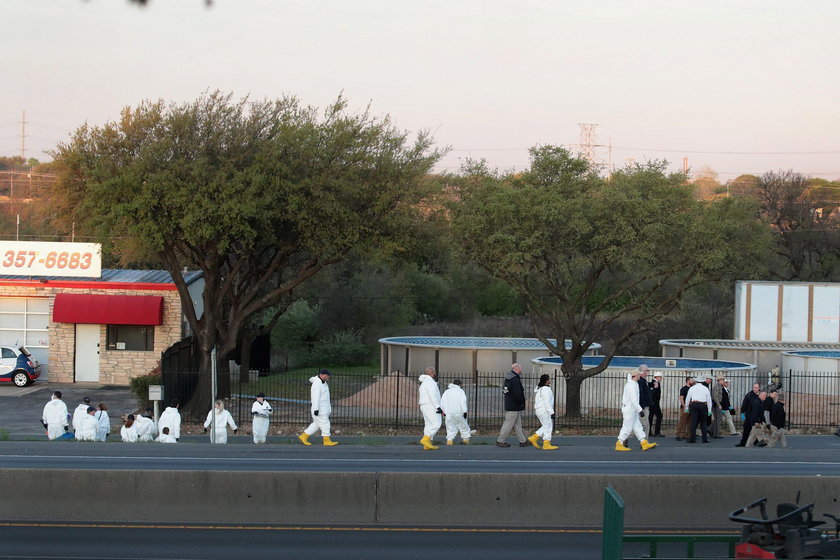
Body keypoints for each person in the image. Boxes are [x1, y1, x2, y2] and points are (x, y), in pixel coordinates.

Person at [616, 371, 656, 451]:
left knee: (637, 426)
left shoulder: (632, 384)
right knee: (627, 427)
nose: (640, 375)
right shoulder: (632, 385)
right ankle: (619, 443)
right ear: (636, 375)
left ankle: (643, 442)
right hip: (630, 409)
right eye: (639, 374)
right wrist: (640, 410)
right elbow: (634, 400)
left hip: (631, 409)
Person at [298, 369, 339, 447]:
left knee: (316, 424)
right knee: (325, 424)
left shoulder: (322, 383)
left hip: (322, 408)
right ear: (323, 375)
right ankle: (326, 440)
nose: (328, 377)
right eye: (327, 376)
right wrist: (316, 409)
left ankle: (304, 436)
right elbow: (315, 397)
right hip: (320, 409)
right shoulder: (317, 384)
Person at [497, 363, 528, 448]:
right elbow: (517, 394)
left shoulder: (508, 379)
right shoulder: (515, 380)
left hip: (511, 405)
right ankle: (500, 440)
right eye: (520, 369)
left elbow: (505, 391)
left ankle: (523, 441)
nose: (521, 371)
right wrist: (522, 402)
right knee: (508, 424)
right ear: (517, 369)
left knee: (518, 424)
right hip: (514, 406)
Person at [527, 374, 558, 450]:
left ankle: (534, 438)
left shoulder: (539, 389)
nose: (550, 381)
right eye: (548, 379)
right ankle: (546, 443)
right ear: (546, 381)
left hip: (539, 410)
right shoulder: (546, 390)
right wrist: (552, 412)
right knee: (548, 426)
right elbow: (547, 402)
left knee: (546, 425)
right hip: (544, 410)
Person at [415, 367, 443, 450]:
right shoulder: (430, 382)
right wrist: (438, 407)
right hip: (431, 405)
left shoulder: (424, 382)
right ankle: (426, 439)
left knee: (428, 424)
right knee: (437, 423)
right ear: (433, 373)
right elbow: (432, 395)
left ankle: (427, 444)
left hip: (425, 405)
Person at [440, 379, 471, 445]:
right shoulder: (460, 391)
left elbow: (442, 402)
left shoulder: (446, 392)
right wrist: (465, 411)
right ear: (460, 384)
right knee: (463, 425)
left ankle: (449, 440)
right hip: (459, 412)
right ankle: (465, 440)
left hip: (449, 412)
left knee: (450, 426)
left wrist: (443, 411)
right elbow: (463, 402)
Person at [685, 376, 712, 443]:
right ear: (703, 381)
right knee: (703, 423)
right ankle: (704, 439)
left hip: (694, 405)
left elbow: (688, 398)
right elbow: (709, 400)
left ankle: (692, 439)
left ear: (696, 381)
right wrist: (709, 410)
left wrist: (686, 408)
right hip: (703, 405)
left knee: (693, 422)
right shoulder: (705, 388)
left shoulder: (692, 388)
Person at [736, 383, 762, 447]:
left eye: (756, 387)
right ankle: (743, 443)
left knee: (756, 431)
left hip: (756, 417)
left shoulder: (761, 396)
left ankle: (757, 443)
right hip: (749, 416)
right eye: (754, 387)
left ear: (759, 388)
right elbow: (744, 404)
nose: (755, 389)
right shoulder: (749, 395)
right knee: (746, 431)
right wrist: (742, 413)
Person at [637, 365, 653, 437]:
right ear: (642, 371)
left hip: (645, 405)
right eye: (647, 370)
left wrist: (652, 384)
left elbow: (646, 389)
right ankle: (625, 437)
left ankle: (644, 441)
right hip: (643, 406)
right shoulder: (640, 381)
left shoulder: (644, 381)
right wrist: (641, 407)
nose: (648, 372)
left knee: (645, 424)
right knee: (644, 424)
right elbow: (641, 394)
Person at [648, 372, 664, 437]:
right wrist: (655, 388)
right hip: (655, 404)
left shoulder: (653, 383)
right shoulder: (655, 383)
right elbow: (652, 394)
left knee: (650, 417)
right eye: (660, 377)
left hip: (652, 404)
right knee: (659, 416)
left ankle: (649, 432)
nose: (661, 378)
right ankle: (657, 432)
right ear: (657, 377)